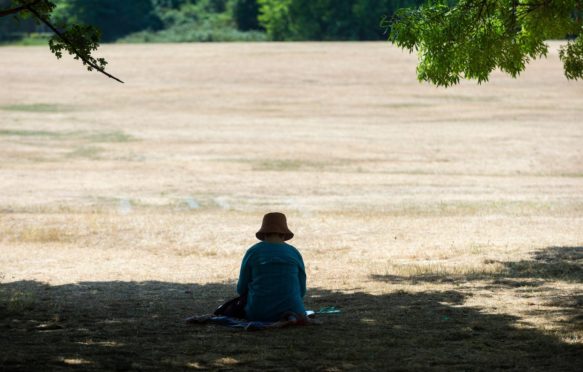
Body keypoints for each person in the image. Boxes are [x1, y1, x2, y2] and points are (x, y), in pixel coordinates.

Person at [236, 212, 307, 322]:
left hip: (258, 314)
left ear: (264, 234)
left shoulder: (253, 252)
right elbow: (302, 290)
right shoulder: (294, 252)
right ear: (284, 234)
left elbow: (241, 289)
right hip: (294, 311)